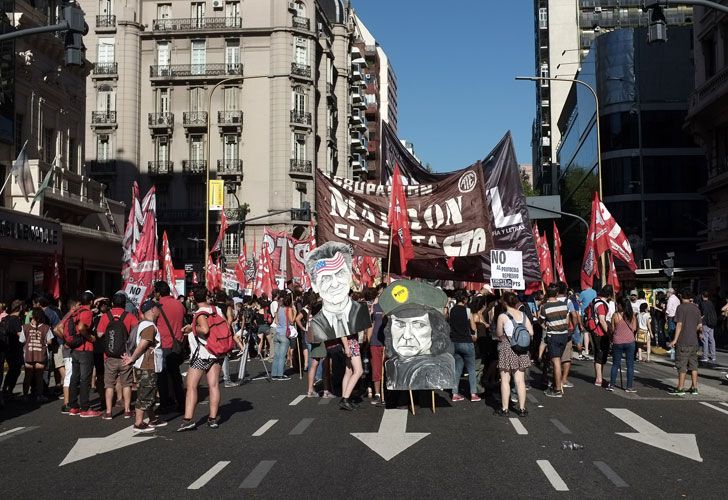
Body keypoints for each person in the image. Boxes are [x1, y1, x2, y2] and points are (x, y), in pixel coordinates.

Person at [304, 242, 372, 410]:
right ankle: (346, 398)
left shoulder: (351, 306)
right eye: (326, 277)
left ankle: (344, 397)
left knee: (349, 371)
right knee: (358, 371)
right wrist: (347, 346)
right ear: (315, 285)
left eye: (340, 273)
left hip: (350, 342)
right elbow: (343, 329)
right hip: (350, 343)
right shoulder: (339, 308)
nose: (335, 284)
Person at [380, 280, 455, 392]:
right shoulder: (395, 363)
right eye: (400, 324)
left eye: (419, 325)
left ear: (434, 329)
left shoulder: (435, 370)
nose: (407, 335)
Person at [178, 286, 224, 431]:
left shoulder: (199, 313)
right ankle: (212, 418)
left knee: (191, 385)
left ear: (193, 298)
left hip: (202, 353)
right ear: (207, 296)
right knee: (214, 385)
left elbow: (205, 330)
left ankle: (188, 419)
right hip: (216, 352)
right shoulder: (216, 310)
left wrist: (191, 328)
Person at [122, 299, 166, 434]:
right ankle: (139, 423)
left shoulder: (142, 324)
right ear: (152, 309)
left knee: (148, 392)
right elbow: (144, 343)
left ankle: (152, 418)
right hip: (147, 364)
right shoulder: (149, 326)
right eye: (158, 308)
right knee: (146, 393)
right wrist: (132, 358)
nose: (159, 310)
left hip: (144, 364)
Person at [96, 292, 137, 420]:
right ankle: (127, 410)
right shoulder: (129, 316)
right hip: (125, 355)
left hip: (109, 355)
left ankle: (108, 412)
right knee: (127, 384)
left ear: (112, 304)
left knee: (109, 385)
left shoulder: (105, 316)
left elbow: (99, 334)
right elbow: (136, 334)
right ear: (125, 304)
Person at [495, 291, 533, 417]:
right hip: (522, 349)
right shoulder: (523, 315)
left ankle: (505, 408)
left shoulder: (503, 316)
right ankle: (522, 408)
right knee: (520, 380)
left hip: (507, 347)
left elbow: (499, 334)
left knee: (505, 379)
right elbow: (531, 332)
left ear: (505, 302)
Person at [154, 281, 187, 412]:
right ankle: (181, 402)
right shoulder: (179, 304)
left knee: (161, 376)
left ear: (158, 292)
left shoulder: (157, 307)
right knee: (175, 375)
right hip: (177, 344)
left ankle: (165, 403)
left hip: (163, 344)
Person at [67, 291, 101, 417]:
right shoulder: (87, 312)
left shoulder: (76, 311)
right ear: (91, 301)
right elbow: (81, 327)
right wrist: (90, 337)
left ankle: (73, 406)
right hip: (85, 349)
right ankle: (85, 408)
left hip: (75, 348)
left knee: (74, 377)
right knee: (85, 379)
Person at [668, 288, 702, 396]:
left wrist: (675, 339)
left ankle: (680, 388)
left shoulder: (681, 308)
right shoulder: (696, 309)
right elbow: (699, 326)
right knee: (693, 365)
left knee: (682, 365)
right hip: (694, 341)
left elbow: (679, 324)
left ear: (682, 297)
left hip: (683, 341)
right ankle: (694, 388)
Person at [539, 283, 569, 398]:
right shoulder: (564, 305)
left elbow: (541, 321)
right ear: (557, 293)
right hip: (564, 335)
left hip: (553, 336)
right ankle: (557, 384)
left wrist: (546, 327)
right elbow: (567, 320)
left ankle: (557, 389)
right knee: (558, 360)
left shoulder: (544, 307)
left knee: (555, 362)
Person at [449, 290, 480, 402]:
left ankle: (454, 394)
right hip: (466, 342)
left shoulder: (451, 310)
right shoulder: (467, 311)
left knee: (457, 368)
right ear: (465, 299)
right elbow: (473, 328)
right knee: (471, 369)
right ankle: (473, 394)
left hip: (455, 342)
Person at [20, 307, 53, 402]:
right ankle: (40, 395)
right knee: (39, 377)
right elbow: (50, 341)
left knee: (27, 376)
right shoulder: (46, 328)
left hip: (29, 354)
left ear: (32, 316)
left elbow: (22, 340)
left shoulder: (25, 327)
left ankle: (25, 395)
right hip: (40, 354)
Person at [607, 297, 637, 393]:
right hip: (630, 341)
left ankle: (612, 384)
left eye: (618, 304)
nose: (616, 305)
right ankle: (629, 386)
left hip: (618, 341)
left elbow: (612, 329)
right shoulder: (632, 315)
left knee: (615, 364)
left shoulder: (615, 316)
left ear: (620, 305)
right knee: (630, 365)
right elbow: (634, 328)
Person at [0, 300, 25, 401]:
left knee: (11, 370)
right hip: (15, 348)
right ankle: (9, 390)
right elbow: (20, 335)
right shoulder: (16, 320)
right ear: (20, 307)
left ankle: (6, 389)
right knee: (15, 370)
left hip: (6, 347)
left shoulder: (6, 318)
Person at [589, 285, 612, 387]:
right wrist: (609, 332)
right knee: (601, 354)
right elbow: (602, 320)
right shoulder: (601, 305)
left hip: (594, 330)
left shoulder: (595, 300)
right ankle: (599, 379)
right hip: (600, 332)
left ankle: (599, 376)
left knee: (598, 354)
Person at [367, 286, 386, 405]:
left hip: (387, 342)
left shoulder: (392, 308)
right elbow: (371, 324)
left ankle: (388, 392)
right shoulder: (374, 307)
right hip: (375, 342)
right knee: (376, 368)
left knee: (388, 369)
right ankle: (377, 394)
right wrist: (369, 340)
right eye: (380, 293)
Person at [272, 294, 294, 381]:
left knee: (276, 355)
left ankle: (274, 374)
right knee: (282, 356)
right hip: (284, 334)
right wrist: (295, 312)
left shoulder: (279, 308)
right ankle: (280, 374)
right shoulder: (288, 309)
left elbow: (276, 321)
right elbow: (292, 321)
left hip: (277, 333)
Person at [699, 291, 718, 364]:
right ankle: (713, 356)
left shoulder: (702, 303)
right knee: (711, 339)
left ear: (702, 296)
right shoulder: (711, 303)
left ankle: (705, 357)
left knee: (705, 339)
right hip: (712, 323)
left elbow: (703, 314)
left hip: (706, 322)